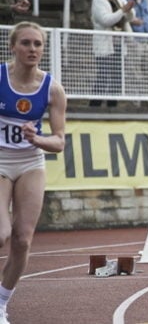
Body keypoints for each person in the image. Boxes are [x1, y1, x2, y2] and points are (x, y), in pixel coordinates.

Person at [0, 21, 67, 324]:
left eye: (38, 44)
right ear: (13, 46)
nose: (32, 49)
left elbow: (59, 141)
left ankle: (1, 302)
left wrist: (36, 138)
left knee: (23, 240)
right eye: (26, 43)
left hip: (30, 161)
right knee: (1, 233)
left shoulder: (51, 88)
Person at [90, 0, 135, 107]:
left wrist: (129, 10)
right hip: (104, 45)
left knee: (117, 80)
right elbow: (106, 20)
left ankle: (112, 108)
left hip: (119, 44)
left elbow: (130, 17)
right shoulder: (97, 0)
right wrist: (123, 10)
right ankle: (94, 108)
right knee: (103, 78)